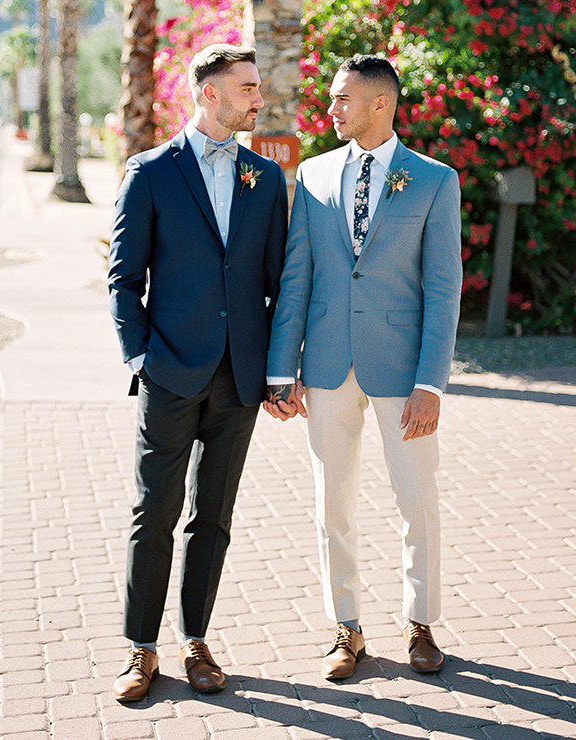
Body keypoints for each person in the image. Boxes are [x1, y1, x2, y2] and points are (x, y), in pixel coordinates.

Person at [263, 54, 462, 679]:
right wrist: (280, 369)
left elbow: (444, 286)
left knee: (416, 499)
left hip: (404, 373)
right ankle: (345, 629)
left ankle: (421, 624)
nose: (332, 109)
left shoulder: (434, 181)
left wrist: (431, 382)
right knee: (332, 504)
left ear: (381, 103)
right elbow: (298, 276)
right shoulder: (315, 176)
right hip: (324, 366)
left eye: (343, 99)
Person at [107, 43, 289, 702]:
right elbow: (123, 279)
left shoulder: (265, 180)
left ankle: (195, 642)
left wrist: (276, 372)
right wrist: (140, 358)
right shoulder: (150, 173)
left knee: (213, 516)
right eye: (245, 87)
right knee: (151, 512)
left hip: (238, 379)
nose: (256, 97)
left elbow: (277, 282)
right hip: (170, 373)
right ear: (208, 93)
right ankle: (139, 649)